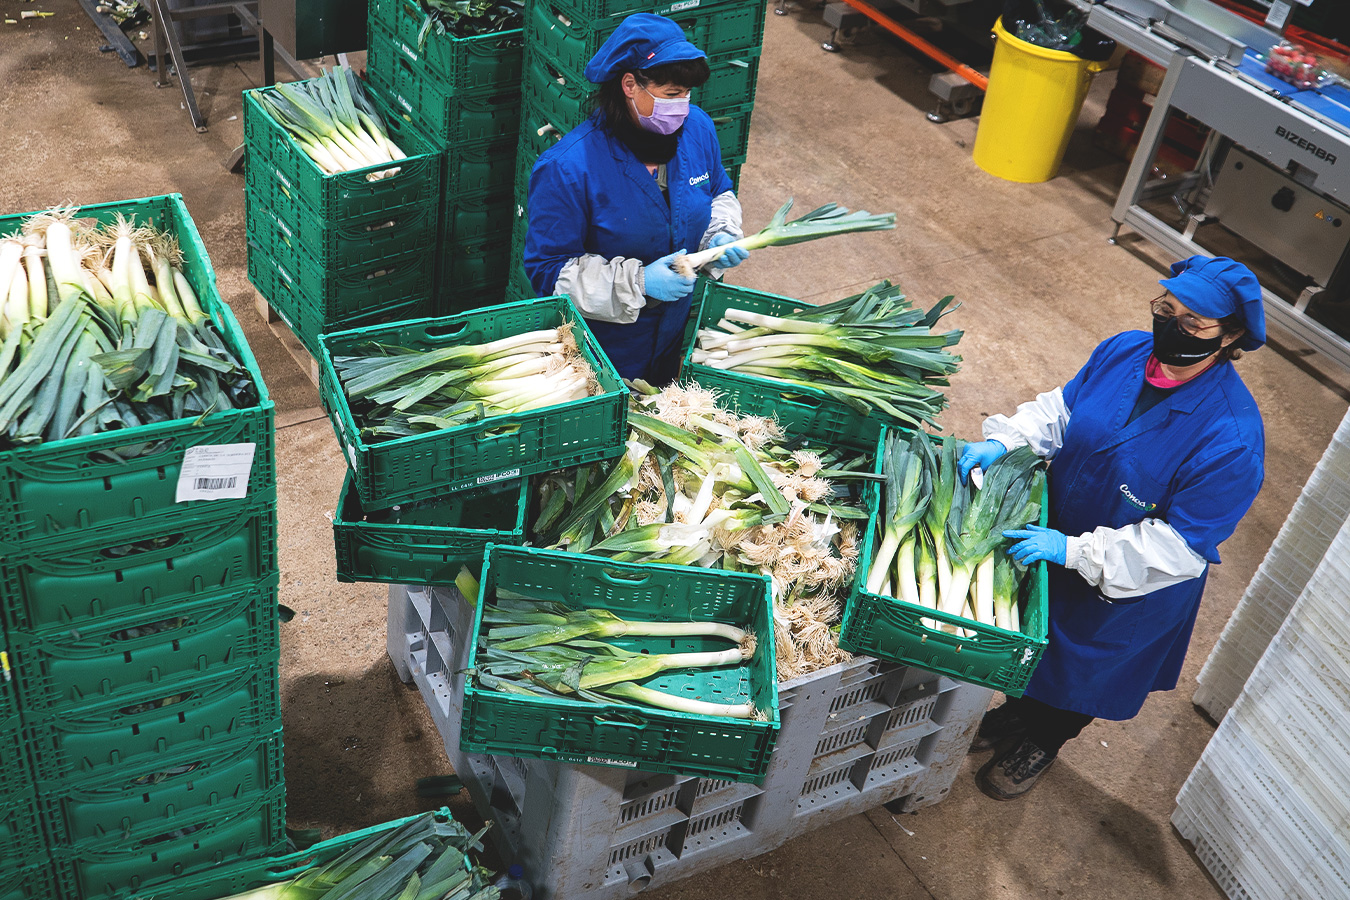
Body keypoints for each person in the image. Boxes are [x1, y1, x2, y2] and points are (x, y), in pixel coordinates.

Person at [957, 255, 1267, 800]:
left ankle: (1045, 742)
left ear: (1232, 335)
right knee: (1035, 647)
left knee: (1079, 676)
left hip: (1128, 584)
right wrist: (1009, 440)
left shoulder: (1231, 441)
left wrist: (1074, 552)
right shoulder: (1125, 351)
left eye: (1193, 323)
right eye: (1166, 309)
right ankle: (1015, 715)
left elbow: (1178, 547)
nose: (1172, 327)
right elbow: (1063, 412)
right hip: (1054, 538)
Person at [523, 13, 747, 385]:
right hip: (601, 349)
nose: (683, 106)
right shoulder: (568, 167)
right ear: (630, 84)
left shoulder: (697, 130)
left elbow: (718, 190)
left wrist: (719, 234)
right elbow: (548, 273)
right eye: (672, 95)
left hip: (672, 330)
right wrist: (639, 283)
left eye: (688, 94)